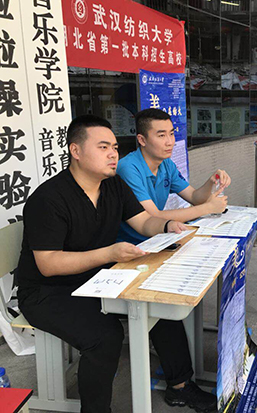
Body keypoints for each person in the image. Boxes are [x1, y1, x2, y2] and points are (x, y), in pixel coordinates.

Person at [16, 115, 217, 413]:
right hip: (47, 291)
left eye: (114, 147)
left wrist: (167, 227)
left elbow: (144, 221)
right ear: (75, 150)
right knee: (105, 336)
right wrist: (109, 254)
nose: (113, 154)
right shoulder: (49, 198)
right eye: (103, 147)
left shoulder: (113, 186)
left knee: (156, 299)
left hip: (96, 277)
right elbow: (48, 264)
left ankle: (180, 386)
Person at [117, 108, 230, 245]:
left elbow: (194, 197)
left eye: (171, 134)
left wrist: (211, 181)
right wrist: (208, 208)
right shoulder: (128, 168)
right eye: (161, 136)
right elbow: (153, 216)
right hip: (131, 245)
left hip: (159, 239)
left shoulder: (167, 164)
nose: (170, 142)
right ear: (142, 140)